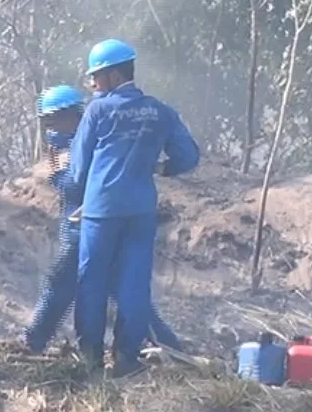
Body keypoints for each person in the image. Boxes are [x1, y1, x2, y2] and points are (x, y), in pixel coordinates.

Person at [70, 39, 200, 377]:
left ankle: (91, 360)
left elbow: (78, 168)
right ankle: (127, 359)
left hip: (101, 211)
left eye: (97, 77)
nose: (94, 84)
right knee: (133, 285)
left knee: (92, 283)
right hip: (141, 210)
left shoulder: (98, 111)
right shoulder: (161, 110)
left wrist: (84, 194)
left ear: (113, 75)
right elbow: (188, 157)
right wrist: (160, 169)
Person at [21, 84, 181, 355]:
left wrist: (58, 172)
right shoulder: (71, 139)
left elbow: (75, 183)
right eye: (46, 120)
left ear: (71, 114)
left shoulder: (83, 139)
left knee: (63, 285)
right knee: (123, 288)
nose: (50, 125)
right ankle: (165, 342)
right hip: (91, 222)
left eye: (53, 118)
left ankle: (38, 340)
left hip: (88, 226)